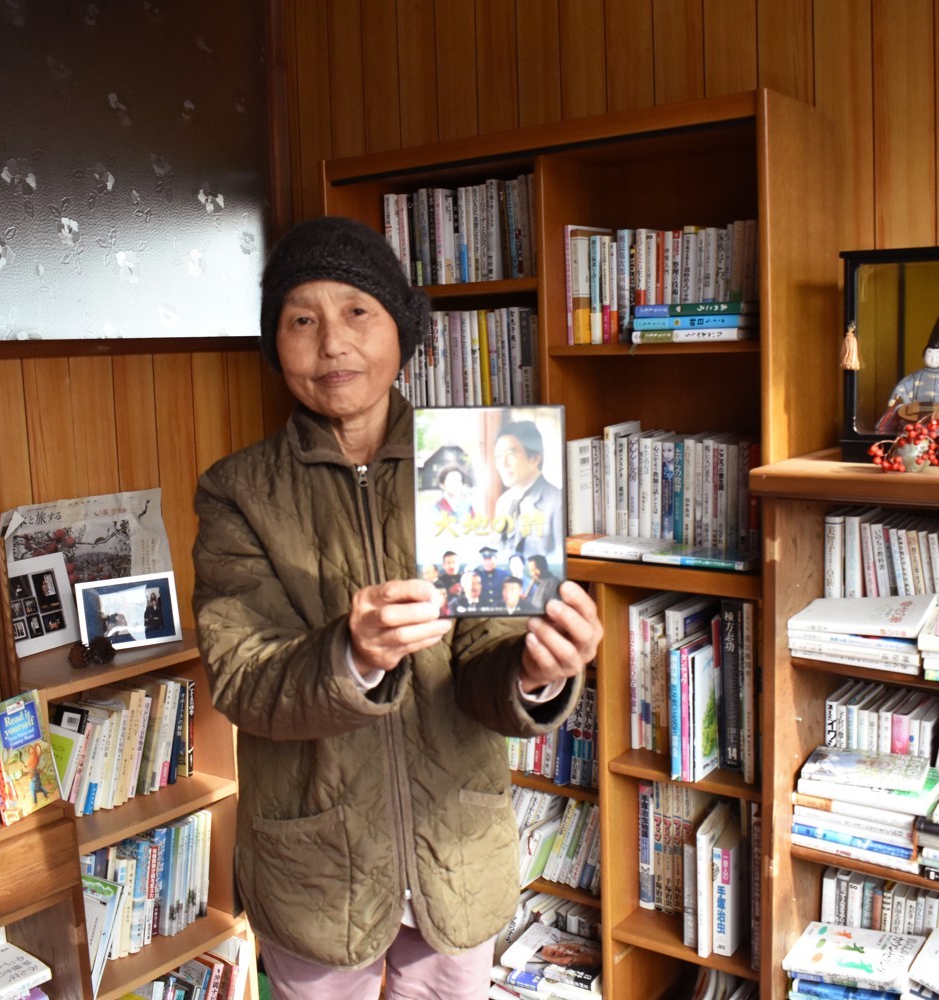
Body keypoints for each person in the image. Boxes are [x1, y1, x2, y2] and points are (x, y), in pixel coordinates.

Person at [192, 215, 602, 1000]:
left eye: (358, 311)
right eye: (301, 320)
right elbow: (243, 678)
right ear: (274, 341)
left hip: (456, 850)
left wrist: (537, 672)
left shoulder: (482, 463)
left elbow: (489, 658)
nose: (332, 344)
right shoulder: (237, 493)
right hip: (315, 872)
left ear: (402, 332)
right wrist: (351, 655)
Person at [493, 420, 564, 564]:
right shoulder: (503, 502)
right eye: (498, 456)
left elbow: (560, 562)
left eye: (511, 455)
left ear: (535, 458)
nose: (503, 464)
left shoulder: (557, 502)